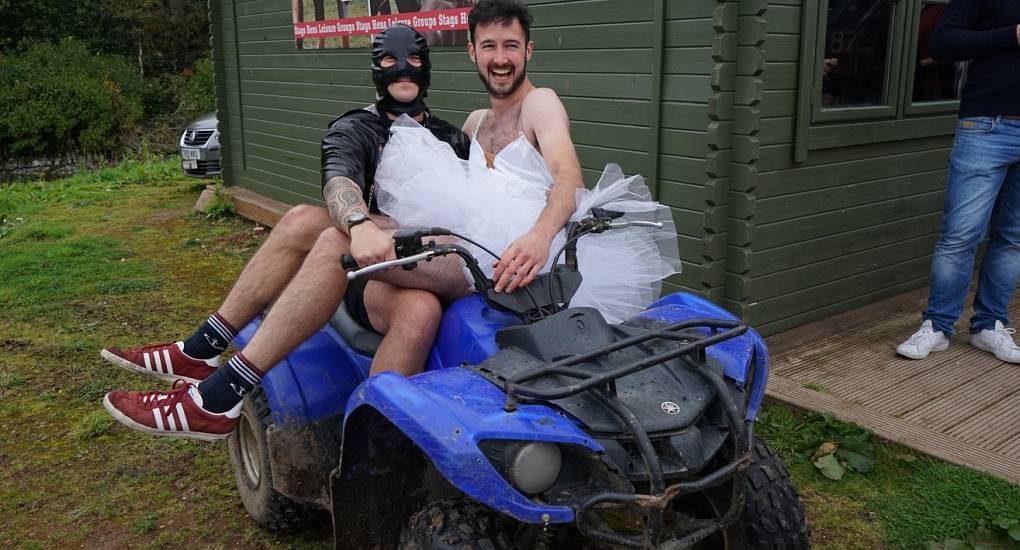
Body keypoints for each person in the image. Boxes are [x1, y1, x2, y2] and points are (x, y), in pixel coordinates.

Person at [101, 24, 474, 440]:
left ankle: (210, 362)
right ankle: (218, 368)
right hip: (371, 265)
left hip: (434, 259)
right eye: (390, 60)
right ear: (375, 67)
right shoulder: (355, 127)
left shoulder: (452, 138)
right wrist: (358, 223)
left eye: (414, 59)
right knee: (318, 229)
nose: (403, 69)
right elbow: (339, 180)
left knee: (409, 296)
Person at [374, 0, 679, 323]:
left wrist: (540, 237)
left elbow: (569, 177)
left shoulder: (539, 103)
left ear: (528, 51)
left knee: (363, 256)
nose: (500, 59)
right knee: (363, 245)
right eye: (489, 46)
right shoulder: (475, 122)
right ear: (472, 52)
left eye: (511, 45)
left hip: (527, 266)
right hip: (473, 261)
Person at [895, 3, 1020, 362]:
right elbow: (943, 44)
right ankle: (937, 326)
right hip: (987, 125)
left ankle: (989, 325)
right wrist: (1012, 34)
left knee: (1013, 238)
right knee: (960, 235)